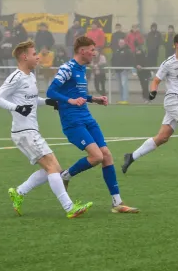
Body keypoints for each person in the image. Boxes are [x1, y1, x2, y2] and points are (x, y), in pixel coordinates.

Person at [0, 40, 92, 219]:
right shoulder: (16, 77)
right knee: (53, 168)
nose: (38, 57)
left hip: (31, 131)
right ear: (24, 57)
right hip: (24, 132)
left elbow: (31, 100)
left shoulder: (30, 76)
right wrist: (16, 108)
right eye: (34, 54)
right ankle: (70, 208)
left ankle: (19, 192)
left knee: (54, 169)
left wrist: (48, 101)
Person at [47, 36, 139, 214]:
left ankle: (117, 203)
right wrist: (70, 101)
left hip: (87, 117)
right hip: (72, 121)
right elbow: (51, 91)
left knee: (107, 155)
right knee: (97, 156)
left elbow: (78, 93)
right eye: (92, 50)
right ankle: (65, 175)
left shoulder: (82, 68)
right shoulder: (67, 68)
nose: (94, 53)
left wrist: (93, 99)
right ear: (82, 51)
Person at [122, 33, 178, 175]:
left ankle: (131, 156)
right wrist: (153, 92)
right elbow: (156, 80)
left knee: (162, 137)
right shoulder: (168, 63)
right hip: (173, 99)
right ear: (176, 45)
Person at [112, 39, 134, 104]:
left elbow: (131, 59)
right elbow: (113, 59)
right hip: (117, 70)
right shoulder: (116, 51)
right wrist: (113, 68)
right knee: (119, 85)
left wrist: (127, 68)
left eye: (122, 43)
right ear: (118, 43)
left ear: (124, 43)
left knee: (124, 84)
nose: (121, 44)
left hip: (124, 70)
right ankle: (121, 99)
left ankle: (125, 99)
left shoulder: (127, 51)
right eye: (120, 43)